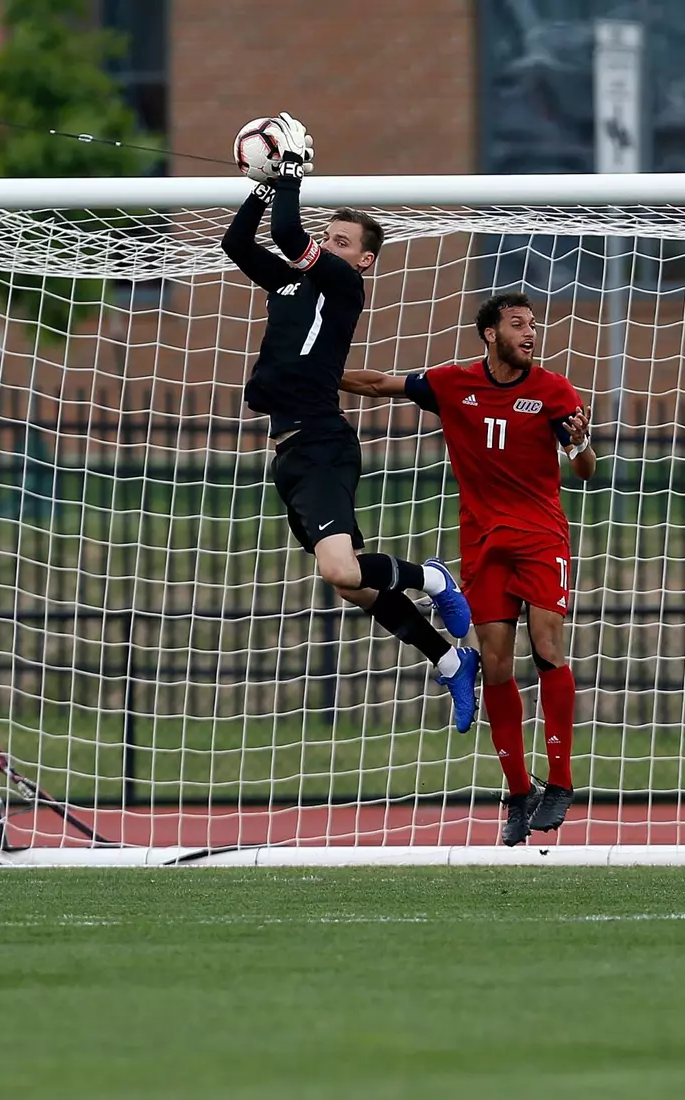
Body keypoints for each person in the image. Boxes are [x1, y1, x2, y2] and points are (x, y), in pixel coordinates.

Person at [219, 112, 478, 731]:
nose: (328, 245)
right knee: (355, 585)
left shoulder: (340, 287)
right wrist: (263, 185)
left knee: (339, 569)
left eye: (341, 242)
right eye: (326, 237)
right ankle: (447, 660)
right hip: (288, 452)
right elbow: (238, 244)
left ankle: (432, 577)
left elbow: (287, 229)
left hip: (322, 443)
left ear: (361, 261)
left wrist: (289, 176)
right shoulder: (288, 284)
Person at [341, 292, 594, 845]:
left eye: (534, 325)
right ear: (489, 333)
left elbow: (586, 469)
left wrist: (578, 444)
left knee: (548, 648)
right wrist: (315, 375)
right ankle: (519, 794)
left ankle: (562, 783)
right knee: (497, 667)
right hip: (483, 544)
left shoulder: (553, 390)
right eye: (518, 324)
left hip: (540, 536)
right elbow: (381, 384)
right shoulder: (452, 383)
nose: (530, 333)